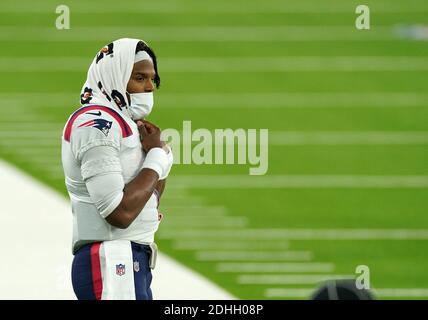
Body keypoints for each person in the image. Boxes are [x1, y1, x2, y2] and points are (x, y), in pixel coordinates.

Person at [61, 38, 173, 300]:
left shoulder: (124, 123)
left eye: (151, 80)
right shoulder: (96, 124)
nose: (148, 87)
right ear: (115, 74)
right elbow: (119, 213)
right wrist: (156, 157)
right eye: (138, 77)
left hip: (129, 257)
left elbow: (149, 201)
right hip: (111, 257)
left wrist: (155, 157)